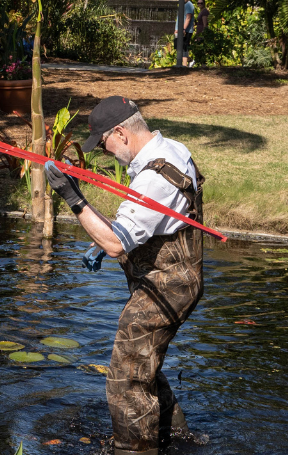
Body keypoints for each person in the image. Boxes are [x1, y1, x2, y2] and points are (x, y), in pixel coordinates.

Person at [43, 96, 204, 455]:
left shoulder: (153, 180)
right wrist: (101, 239)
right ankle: (177, 439)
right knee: (144, 363)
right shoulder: (172, 151)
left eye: (104, 144)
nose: (105, 151)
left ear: (121, 132)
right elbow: (130, 231)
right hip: (177, 279)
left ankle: (134, 449)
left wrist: (72, 196)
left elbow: (117, 243)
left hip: (166, 286)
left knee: (125, 375)